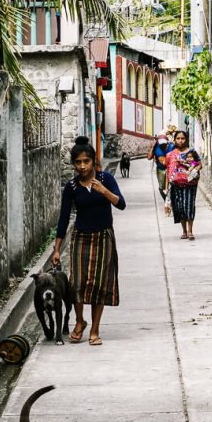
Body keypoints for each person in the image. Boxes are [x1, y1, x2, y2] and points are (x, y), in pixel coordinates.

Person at [52, 136, 126, 345]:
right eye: (78, 162)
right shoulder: (72, 187)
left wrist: (104, 191)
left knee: (98, 285)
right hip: (80, 238)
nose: (83, 166)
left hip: (103, 237)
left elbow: (121, 204)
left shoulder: (106, 179)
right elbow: (64, 219)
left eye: (86, 161)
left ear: (94, 161)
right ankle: (79, 321)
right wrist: (57, 250)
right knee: (77, 284)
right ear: (73, 164)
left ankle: (94, 329)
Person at [165, 130, 201, 240]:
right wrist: (166, 187)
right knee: (179, 208)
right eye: (178, 138)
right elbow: (168, 170)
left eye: (183, 138)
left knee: (189, 206)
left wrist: (192, 168)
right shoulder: (170, 155)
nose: (180, 141)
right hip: (176, 185)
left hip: (190, 184)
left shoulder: (191, 152)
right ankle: (184, 231)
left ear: (186, 140)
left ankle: (190, 231)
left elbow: (199, 164)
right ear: (174, 140)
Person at [146, 129, 173, 199]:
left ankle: (171, 201)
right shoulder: (156, 147)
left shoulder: (172, 146)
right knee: (161, 188)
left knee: (172, 187)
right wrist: (152, 147)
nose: (162, 144)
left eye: (164, 142)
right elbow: (149, 157)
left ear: (167, 141)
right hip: (161, 169)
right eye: (160, 142)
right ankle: (166, 200)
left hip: (171, 169)